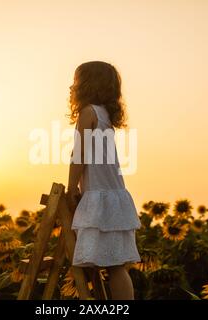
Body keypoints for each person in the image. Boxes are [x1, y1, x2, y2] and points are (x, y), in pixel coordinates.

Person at [66, 61, 141, 300]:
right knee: (116, 266)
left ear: (87, 85)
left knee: (113, 266)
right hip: (113, 194)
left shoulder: (88, 112)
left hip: (100, 195)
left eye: (76, 82)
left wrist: (70, 189)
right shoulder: (104, 114)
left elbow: (79, 155)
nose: (72, 86)